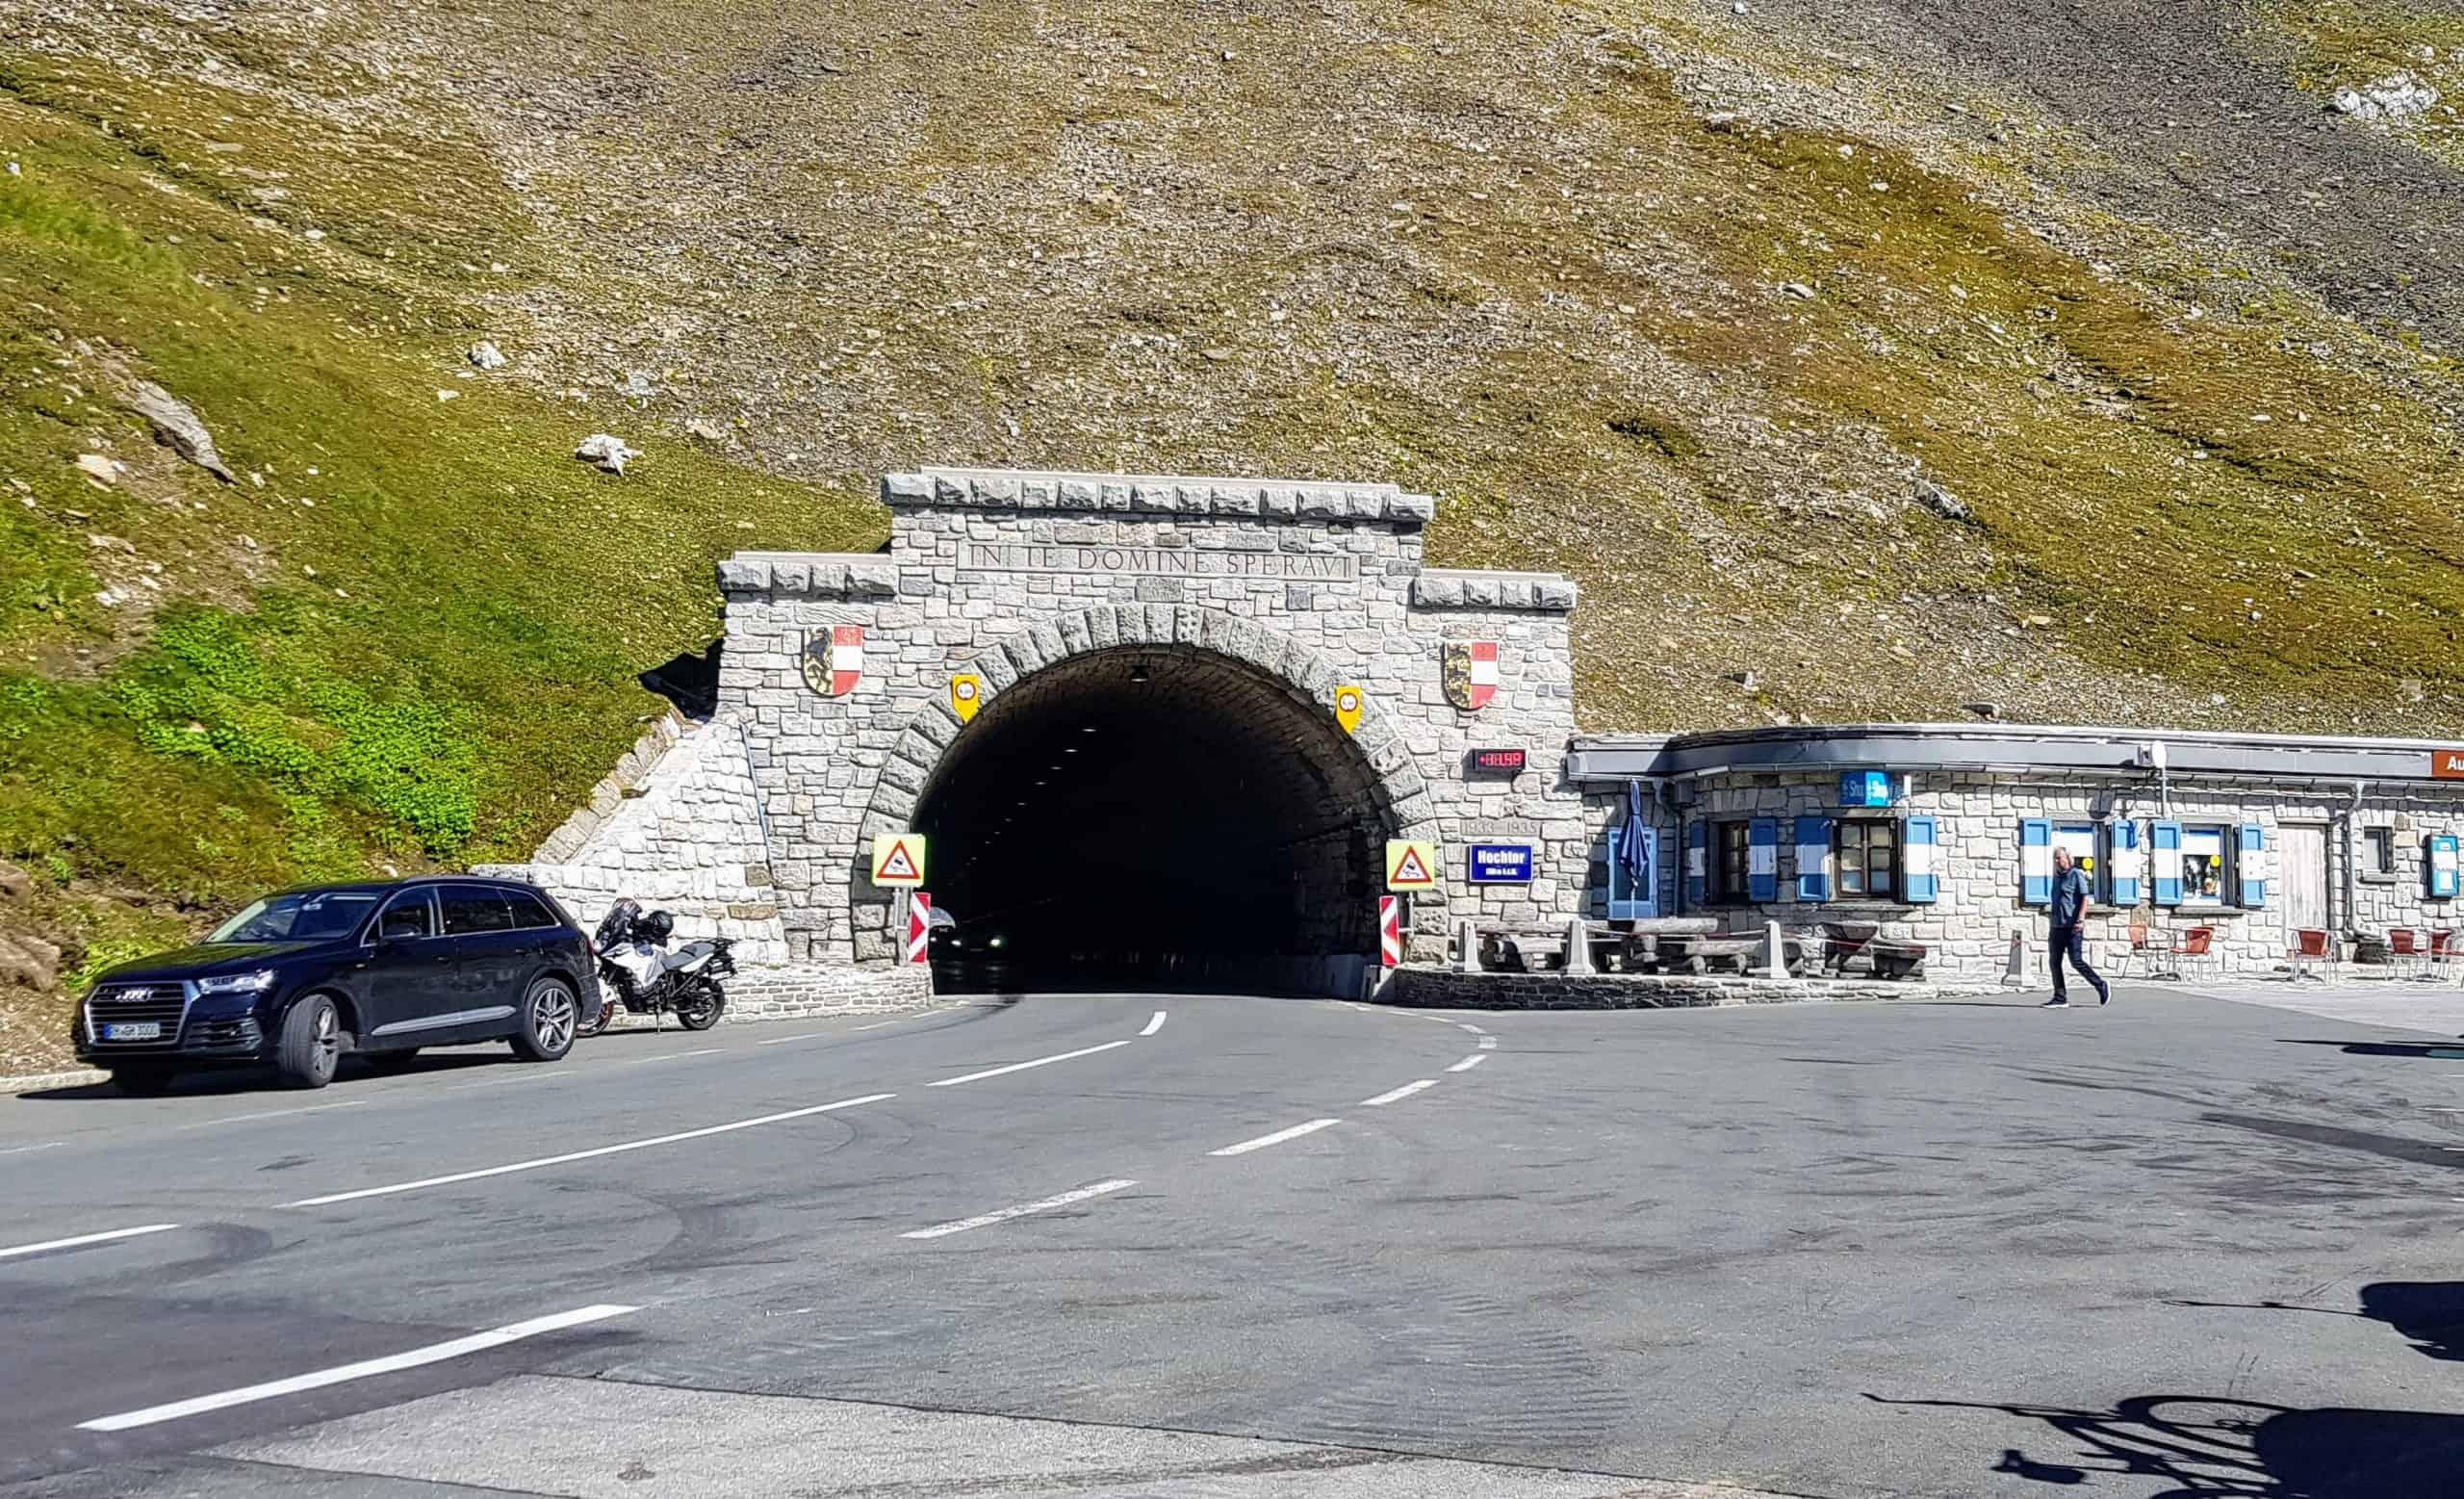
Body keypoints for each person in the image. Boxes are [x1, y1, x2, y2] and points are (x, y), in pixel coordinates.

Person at [2043, 845, 2111, 1008]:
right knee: (2054, 961)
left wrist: (2080, 920)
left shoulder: (2076, 875)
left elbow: (2085, 898)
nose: (2057, 861)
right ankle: (2060, 997)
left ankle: (2100, 985)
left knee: (2076, 961)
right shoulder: (2057, 877)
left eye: (2059, 858)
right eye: (2055, 858)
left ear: (2068, 858)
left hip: (2073, 925)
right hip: (2057, 925)